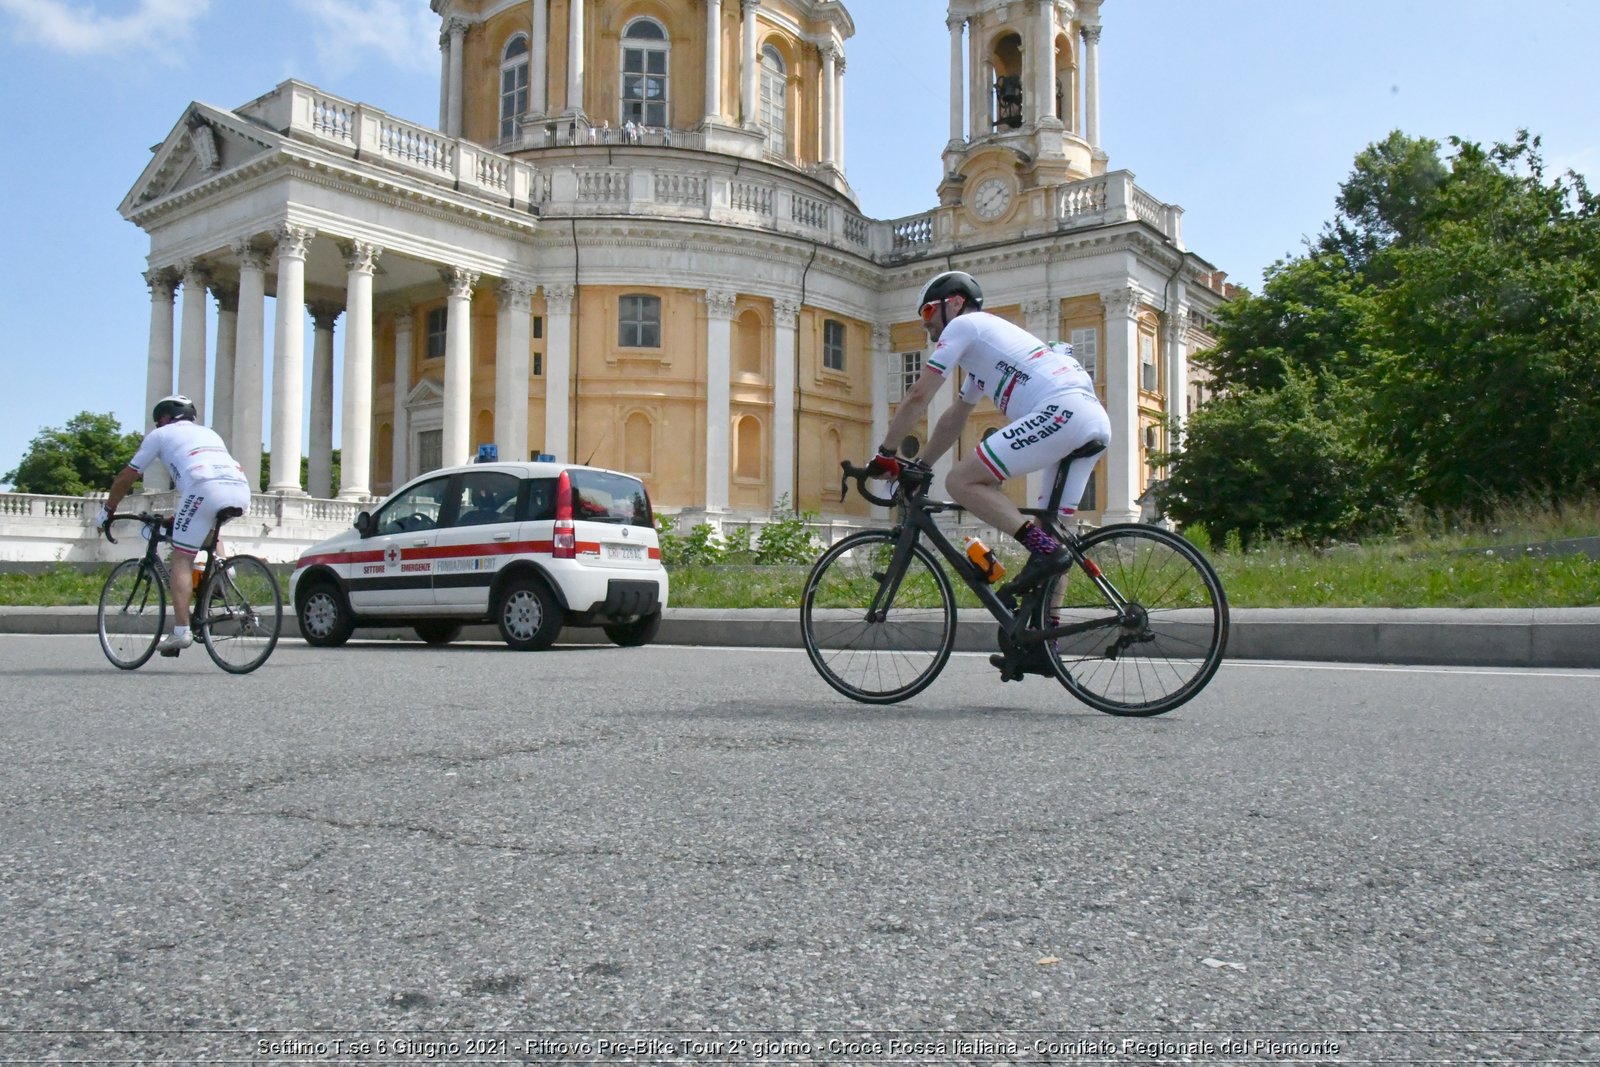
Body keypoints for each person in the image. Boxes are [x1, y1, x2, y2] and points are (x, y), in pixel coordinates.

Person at [865, 271, 1111, 667]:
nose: (925, 321)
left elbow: (918, 394)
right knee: (1055, 531)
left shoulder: (965, 326)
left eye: (928, 309)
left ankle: (1044, 552)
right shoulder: (986, 353)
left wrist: (886, 452)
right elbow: (955, 418)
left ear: (955, 303)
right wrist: (921, 465)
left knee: (961, 481)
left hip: (1061, 411)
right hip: (1091, 418)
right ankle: (1045, 647)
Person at [96, 394, 253, 655]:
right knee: (210, 529)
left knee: (182, 558)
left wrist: (108, 511)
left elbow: (127, 476)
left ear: (165, 418)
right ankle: (224, 571)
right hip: (239, 489)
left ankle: (181, 631)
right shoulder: (209, 434)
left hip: (204, 488)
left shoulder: (161, 435)